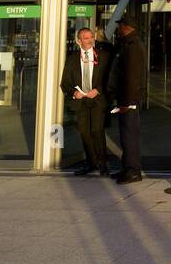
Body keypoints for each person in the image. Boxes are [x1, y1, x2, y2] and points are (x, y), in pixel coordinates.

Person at [61, 26, 113, 177]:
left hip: (97, 99)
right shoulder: (71, 59)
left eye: (91, 37)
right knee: (85, 133)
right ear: (79, 41)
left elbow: (109, 78)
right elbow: (65, 82)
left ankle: (103, 165)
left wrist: (97, 90)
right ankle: (91, 163)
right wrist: (74, 92)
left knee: (97, 131)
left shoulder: (103, 56)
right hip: (81, 101)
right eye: (86, 38)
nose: (90, 40)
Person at [106, 16, 147, 185]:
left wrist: (126, 102)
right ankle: (127, 168)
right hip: (126, 98)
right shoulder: (127, 44)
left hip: (129, 99)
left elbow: (132, 77)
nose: (118, 29)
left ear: (126, 27)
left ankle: (132, 171)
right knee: (125, 136)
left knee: (129, 136)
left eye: (120, 25)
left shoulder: (133, 46)